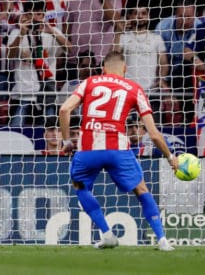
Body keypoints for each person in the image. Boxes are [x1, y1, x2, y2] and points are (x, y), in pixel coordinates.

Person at [58, 50, 179, 251]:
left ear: (103, 69)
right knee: (141, 189)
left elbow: (64, 110)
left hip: (88, 149)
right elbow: (154, 133)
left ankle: (107, 234)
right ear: (125, 68)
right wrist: (170, 157)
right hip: (118, 149)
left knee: (80, 186)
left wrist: (67, 141)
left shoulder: (90, 82)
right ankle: (162, 240)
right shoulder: (135, 88)